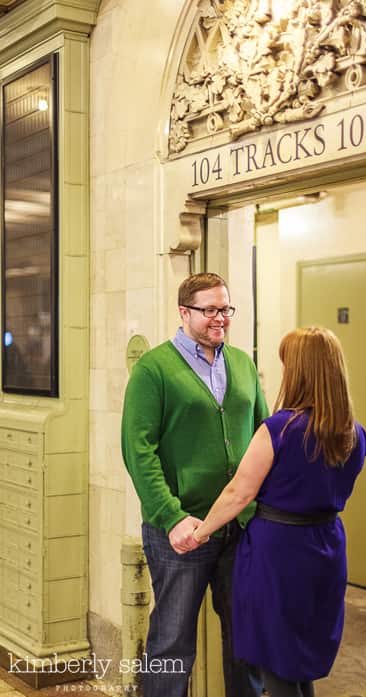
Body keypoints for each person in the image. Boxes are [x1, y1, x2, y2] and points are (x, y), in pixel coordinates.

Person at [188, 327, 366, 697]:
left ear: (300, 372)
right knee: (300, 660)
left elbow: (239, 493)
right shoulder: (355, 434)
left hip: (278, 553)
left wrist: (201, 531)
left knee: (275, 660)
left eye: (287, 365)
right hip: (327, 548)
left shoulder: (279, 430)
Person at [121, 272, 268, 697]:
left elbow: (263, 433)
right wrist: (171, 517)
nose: (220, 318)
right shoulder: (155, 369)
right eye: (210, 310)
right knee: (172, 642)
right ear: (184, 312)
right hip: (180, 531)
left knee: (246, 640)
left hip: (239, 528)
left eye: (226, 308)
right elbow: (138, 451)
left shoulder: (241, 362)